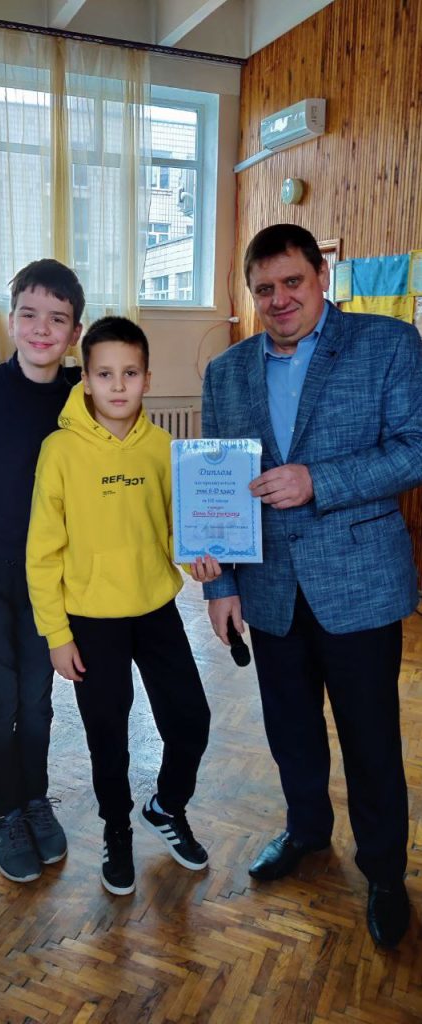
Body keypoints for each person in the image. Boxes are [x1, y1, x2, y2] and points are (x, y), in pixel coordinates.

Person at [201, 223, 422, 949]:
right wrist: (220, 587)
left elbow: (414, 449)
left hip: (359, 582)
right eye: (263, 288)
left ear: (320, 275)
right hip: (268, 588)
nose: (279, 299)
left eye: (292, 282)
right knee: (289, 728)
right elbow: (215, 490)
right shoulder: (225, 372)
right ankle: (305, 830)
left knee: (370, 740)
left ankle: (384, 872)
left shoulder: (387, 345)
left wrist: (317, 481)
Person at [26, 315, 219, 897]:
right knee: (107, 734)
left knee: (191, 718)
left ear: (147, 379)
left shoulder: (162, 448)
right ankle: (117, 827)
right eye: (105, 374)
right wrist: (57, 633)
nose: (117, 385)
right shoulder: (59, 450)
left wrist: (196, 558)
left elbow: (171, 530)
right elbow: (42, 553)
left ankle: (167, 805)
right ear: (85, 379)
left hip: (156, 612)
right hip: (90, 622)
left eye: (130, 373)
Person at [0, 258, 85, 883]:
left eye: (57, 319)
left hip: (49, 582)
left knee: (36, 703)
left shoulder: (83, 402)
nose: (42, 328)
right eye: (29, 315)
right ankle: (6, 813)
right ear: (10, 321)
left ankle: (35, 799)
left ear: (75, 332)